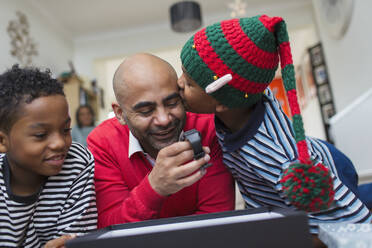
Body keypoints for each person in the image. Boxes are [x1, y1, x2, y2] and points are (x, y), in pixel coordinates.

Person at [177, 15, 372, 245]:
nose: (179, 83)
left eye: (189, 83)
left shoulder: (273, 154)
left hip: (330, 172)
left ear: (223, 102)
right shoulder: (242, 102)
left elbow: (352, 220)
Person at [87, 53, 235, 228]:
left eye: (172, 103)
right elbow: (110, 231)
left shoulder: (208, 127)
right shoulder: (103, 143)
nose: (164, 119)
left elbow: (217, 223)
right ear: (120, 113)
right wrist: (155, 187)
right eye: (146, 111)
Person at [0, 65, 97, 248]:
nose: (59, 143)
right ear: (2, 141)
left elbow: (75, 243)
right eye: (41, 135)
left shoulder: (76, 162)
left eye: (65, 130)